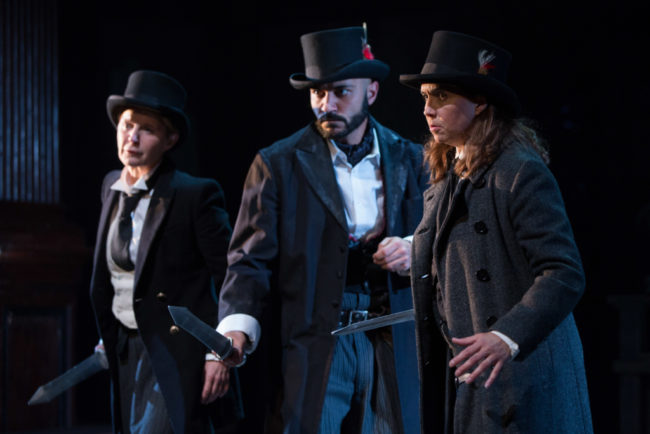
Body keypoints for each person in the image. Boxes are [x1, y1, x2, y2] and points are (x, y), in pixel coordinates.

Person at [216, 25, 427, 434]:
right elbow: (248, 260)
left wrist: (411, 248)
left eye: (340, 92)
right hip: (317, 343)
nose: (326, 104)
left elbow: (442, 241)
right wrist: (236, 327)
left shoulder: (411, 159)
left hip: (393, 342)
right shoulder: (279, 164)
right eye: (318, 93)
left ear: (371, 92)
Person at [399, 31, 594, 433]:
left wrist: (507, 335)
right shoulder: (446, 178)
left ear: (481, 102)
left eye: (440, 97)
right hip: (473, 382)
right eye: (424, 98)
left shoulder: (519, 172)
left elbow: (563, 271)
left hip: (522, 379)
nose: (427, 110)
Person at [89, 70, 237, 433]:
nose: (132, 137)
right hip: (125, 348)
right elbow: (121, 276)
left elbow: (231, 276)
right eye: (126, 126)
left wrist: (217, 350)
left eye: (147, 129)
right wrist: (110, 333)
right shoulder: (111, 186)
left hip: (176, 350)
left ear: (170, 139)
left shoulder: (194, 194)